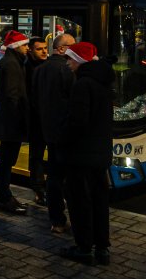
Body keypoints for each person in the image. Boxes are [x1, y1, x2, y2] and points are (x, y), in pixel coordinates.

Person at [59, 42, 114, 266]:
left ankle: (83, 247)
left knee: (80, 201)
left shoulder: (83, 85)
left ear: (79, 61)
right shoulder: (104, 82)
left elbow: (78, 123)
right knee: (100, 201)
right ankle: (102, 248)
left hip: (81, 155)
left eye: (70, 59)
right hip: (100, 153)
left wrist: (63, 139)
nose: (67, 63)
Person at [32, 33, 76, 233]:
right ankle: (66, 218)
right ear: (61, 49)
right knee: (65, 177)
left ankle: (56, 217)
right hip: (64, 131)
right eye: (72, 47)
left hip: (46, 128)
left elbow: (35, 99)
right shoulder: (67, 71)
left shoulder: (40, 70)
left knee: (53, 176)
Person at [0, 30, 30, 216]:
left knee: (6, 160)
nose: (27, 48)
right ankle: (5, 199)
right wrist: (20, 120)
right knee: (7, 161)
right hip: (11, 122)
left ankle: (6, 197)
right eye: (24, 45)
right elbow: (12, 96)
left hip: (8, 121)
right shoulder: (12, 65)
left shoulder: (10, 62)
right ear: (16, 46)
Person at [25, 36, 49, 206]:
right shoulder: (26, 68)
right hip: (35, 118)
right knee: (37, 155)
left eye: (45, 48)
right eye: (39, 49)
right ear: (31, 50)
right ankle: (38, 188)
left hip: (46, 117)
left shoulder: (48, 66)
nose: (44, 51)